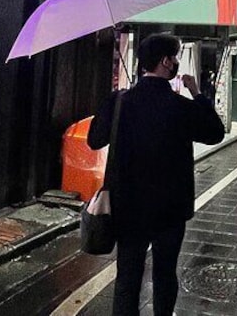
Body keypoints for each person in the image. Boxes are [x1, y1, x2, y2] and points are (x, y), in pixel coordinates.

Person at [88, 34, 225, 316]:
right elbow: (215, 133)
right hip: (169, 211)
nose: (175, 63)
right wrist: (197, 93)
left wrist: (111, 104)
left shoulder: (120, 101)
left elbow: (94, 140)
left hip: (127, 209)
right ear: (165, 62)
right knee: (164, 276)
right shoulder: (180, 106)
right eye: (173, 58)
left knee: (127, 277)